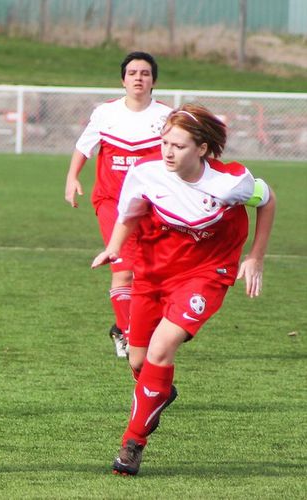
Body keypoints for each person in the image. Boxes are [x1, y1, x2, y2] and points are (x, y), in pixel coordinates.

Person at [92, 103, 277, 476]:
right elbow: (129, 214)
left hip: (206, 274)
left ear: (203, 149)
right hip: (153, 272)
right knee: (139, 362)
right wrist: (114, 247)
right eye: (165, 143)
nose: (168, 152)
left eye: (178, 145)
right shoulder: (146, 174)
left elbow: (268, 201)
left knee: (161, 349)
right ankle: (158, 393)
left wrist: (255, 257)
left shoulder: (232, 181)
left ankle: (132, 444)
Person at [65, 51, 171, 358]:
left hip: (153, 206)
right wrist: (72, 178)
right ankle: (129, 337)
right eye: (133, 73)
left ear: (153, 81)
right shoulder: (106, 113)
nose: (139, 77)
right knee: (123, 271)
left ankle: (124, 326)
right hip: (112, 202)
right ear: (123, 80)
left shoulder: (167, 117)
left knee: (153, 274)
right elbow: (83, 146)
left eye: (145, 73)